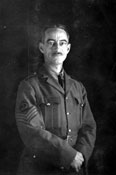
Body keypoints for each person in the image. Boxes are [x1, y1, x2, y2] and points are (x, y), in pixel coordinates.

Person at [15, 23, 96, 175]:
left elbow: (89, 127)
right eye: (51, 42)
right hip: (40, 170)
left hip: (75, 170)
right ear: (41, 48)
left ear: (68, 48)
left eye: (62, 43)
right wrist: (68, 156)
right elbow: (32, 132)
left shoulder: (78, 88)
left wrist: (80, 157)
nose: (57, 47)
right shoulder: (29, 86)